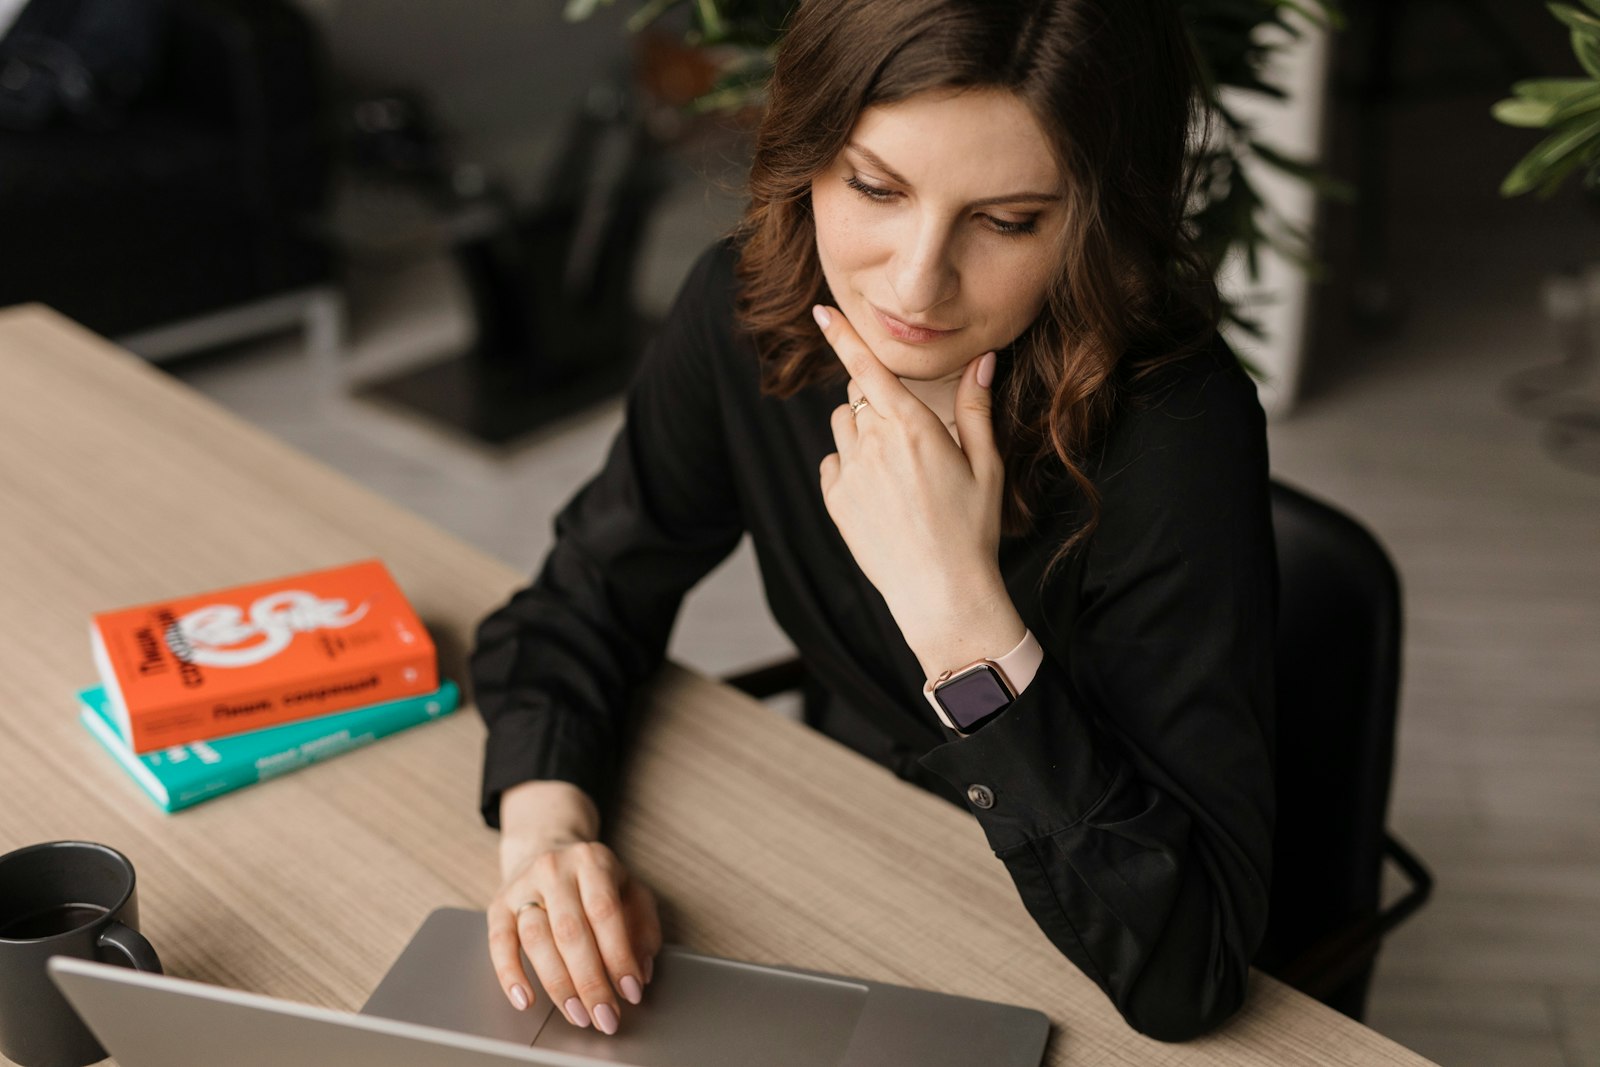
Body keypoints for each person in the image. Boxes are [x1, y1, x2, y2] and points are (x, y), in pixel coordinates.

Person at [470, 0, 1276, 1044]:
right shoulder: (745, 313)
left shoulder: (1178, 428)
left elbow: (1189, 969)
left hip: (1081, 949)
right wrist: (547, 837)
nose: (912, 282)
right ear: (805, 154)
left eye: (1007, 220)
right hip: (863, 872)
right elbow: (583, 595)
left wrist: (963, 622)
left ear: (1093, 222)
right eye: (876, 187)